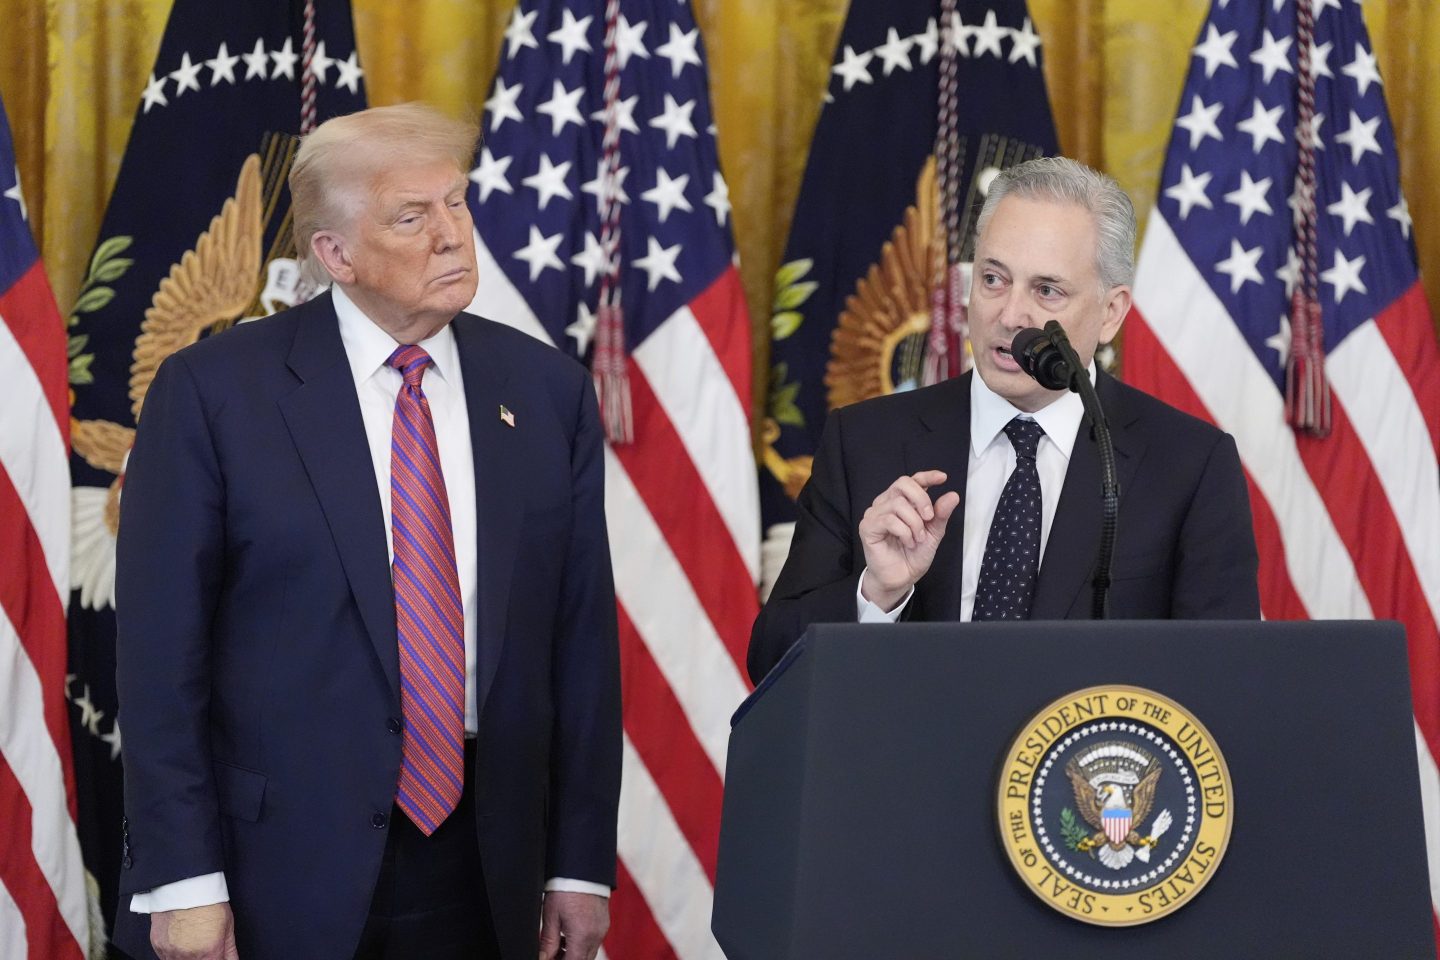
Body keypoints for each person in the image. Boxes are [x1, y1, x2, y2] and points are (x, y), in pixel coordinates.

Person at [113, 103, 621, 960]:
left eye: (456, 204)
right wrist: (185, 880)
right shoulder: (214, 393)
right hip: (272, 869)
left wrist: (578, 865)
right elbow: (162, 663)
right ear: (335, 256)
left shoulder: (545, 392)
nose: (453, 236)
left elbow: (580, 646)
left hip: (486, 870)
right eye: (412, 217)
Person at [749, 156, 1260, 682]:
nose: (1010, 314)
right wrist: (876, 594)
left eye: (1047, 290)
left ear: (1111, 312)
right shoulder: (865, 442)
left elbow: (1224, 683)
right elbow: (770, 664)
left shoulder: (1189, 466)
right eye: (993, 278)